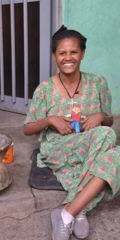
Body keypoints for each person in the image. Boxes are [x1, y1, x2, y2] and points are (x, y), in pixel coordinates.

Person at [24, 26, 120, 240]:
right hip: (57, 146)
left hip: (89, 144)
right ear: (54, 56)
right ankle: (80, 209)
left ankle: (69, 212)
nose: (68, 58)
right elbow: (27, 128)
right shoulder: (45, 89)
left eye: (74, 52)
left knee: (114, 151)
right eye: (62, 53)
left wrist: (100, 116)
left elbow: (109, 120)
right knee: (107, 137)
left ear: (82, 54)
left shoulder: (98, 83)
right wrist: (50, 120)